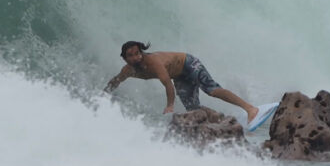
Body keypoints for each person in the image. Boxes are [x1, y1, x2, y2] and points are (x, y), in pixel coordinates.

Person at [104, 41, 259, 123]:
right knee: (193, 109)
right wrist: (103, 95)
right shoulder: (128, 70)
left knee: (212, 90)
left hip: (188, 63)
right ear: (124, 58)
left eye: (138, 53)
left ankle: (250, 109)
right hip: (179, 76)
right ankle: (220, 119)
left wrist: (170, 105)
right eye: (130, 55)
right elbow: (115, 81)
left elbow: (167, 84)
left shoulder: (153, 62)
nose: (135, 57)